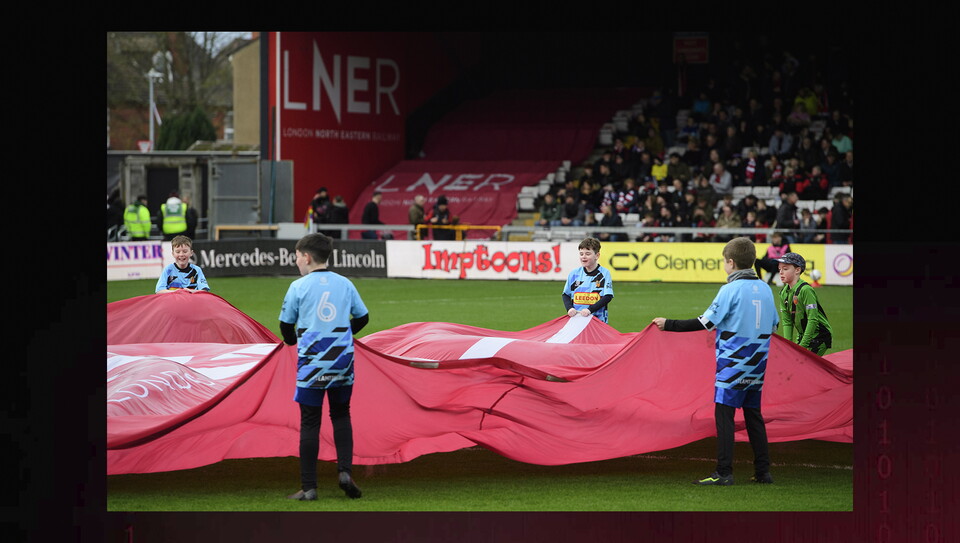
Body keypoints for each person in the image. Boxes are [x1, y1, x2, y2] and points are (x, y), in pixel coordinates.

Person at [653, 237, 777, 486]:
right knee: (754, 416)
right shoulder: (765, 288)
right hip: (758, 362)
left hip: (733, 362)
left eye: (724, 261)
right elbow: (774, 325)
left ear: (730, 263)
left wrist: (669, 325)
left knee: (725, 416)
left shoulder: (730, 289)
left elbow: (705, 323)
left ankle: (724, 472)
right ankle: (763, 472)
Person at [279, 233, 368, 501]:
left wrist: (293, 340)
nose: (296, 262)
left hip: (312, 362)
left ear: (306, 257)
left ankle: (309, 487)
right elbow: (363, 318)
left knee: (310, 422)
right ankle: (344, 472)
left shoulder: (298, 286)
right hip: (342, 359)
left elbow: (285, 326)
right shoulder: (345, 283)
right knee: (341, 415)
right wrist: (342, 335)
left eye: (296, 257)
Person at [775, 252, 833, 356]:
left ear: (797, 270)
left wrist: (803, 346)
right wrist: (788, 346)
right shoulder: (783, 293)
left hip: (819, 335)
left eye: (785, 269)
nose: (781, 272)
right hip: (803, 335)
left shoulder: (806, 290)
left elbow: (813, 319)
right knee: (793, 361)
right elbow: (787, 321)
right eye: (780, 269)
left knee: (804, 365)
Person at [561, 237, 614, 324]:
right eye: (581, 254)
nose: (583, 257)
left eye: (588, 254)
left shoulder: (604, 273)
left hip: (598, 321)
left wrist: (590, 310)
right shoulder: (574, 274)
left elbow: (608, 296)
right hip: (577, 321)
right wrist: (569, 308)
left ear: (597, 256)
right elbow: (566, 294)